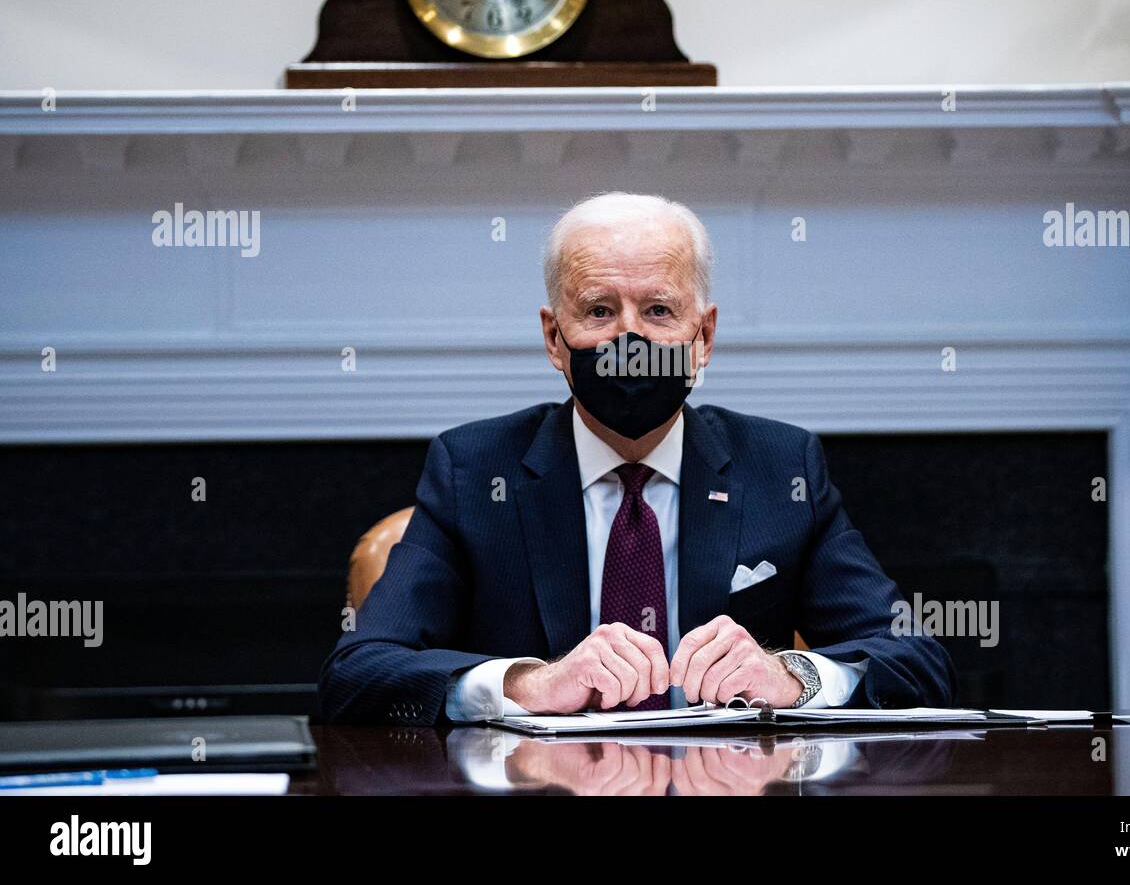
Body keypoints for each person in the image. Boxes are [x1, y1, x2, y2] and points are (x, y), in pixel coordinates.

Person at [318, 192, 954, 724]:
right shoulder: (474, 468)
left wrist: (792, 677)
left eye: (658, 310)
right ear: (553, 338)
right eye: (599, 310)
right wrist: (524, 686)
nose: (629, 340)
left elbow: (915, 660)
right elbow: (359, 672)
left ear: (702, 337)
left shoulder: (781, 467)